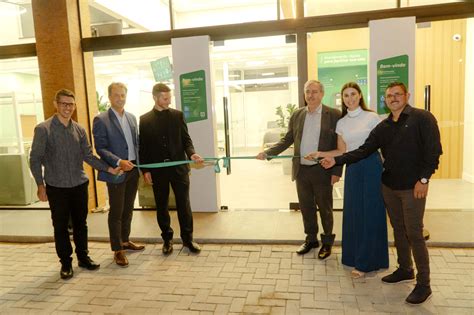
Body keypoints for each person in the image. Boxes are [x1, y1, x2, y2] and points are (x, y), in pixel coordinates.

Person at [321, 82, 442, 305]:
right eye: (389, 95)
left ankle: (424, 284)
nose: (393, 98)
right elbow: (363, 150)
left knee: (414, 232)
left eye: (398, 94)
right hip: (388, 185)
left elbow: (434, 152)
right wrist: (335, 160)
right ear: (385, 99)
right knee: (398, 228)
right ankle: (406, 269)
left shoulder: (422, 118)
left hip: (412, 186)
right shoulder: (384, 125)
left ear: (407, 95)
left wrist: (424, 179)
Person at [29, 89, 121, 280]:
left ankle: (83, 257)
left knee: (81, 224)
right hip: (56, 187)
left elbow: (88, 156)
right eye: (63, 104)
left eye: (70, 104)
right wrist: (40, 184)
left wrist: (109, 169)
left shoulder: (79, 129)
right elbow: (35, 159)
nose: (67, 108)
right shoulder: (43, 129)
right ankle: (65, 263)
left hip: (79, 185)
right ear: (56, 104)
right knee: (60, 226)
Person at [305, 82, 388, 278]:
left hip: (371, 167)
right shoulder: (341, 123)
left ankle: (367, 262)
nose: (349, 98)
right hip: (353, 168)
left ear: (360, 96)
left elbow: (382, 147)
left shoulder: (372, 117)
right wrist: (320, 153)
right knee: (353, 213)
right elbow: (342, 152)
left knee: (371, 213)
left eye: (353, 94)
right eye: (345, 96)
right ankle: (353, 256)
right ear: (342, 99)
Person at [257, 80, 342, 259]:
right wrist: (268, 153)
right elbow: (288, 139)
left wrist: (336, 171)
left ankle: (327, 243)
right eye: (307, 91)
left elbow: (340, 145)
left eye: (314, 92)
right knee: (306, 207)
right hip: (302, 170)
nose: (310, 95)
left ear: (322, 93)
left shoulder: (334, 114)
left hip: (323, 170)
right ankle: (311, 239)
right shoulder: (297, 114)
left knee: (325, 208)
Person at [139, 83, 204, 255]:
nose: (169, 101)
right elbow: (143, 148)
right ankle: (167, 240)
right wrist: (145, 170)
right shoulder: (144, 120)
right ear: (155, 97)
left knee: (184, 204)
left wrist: (192, 154)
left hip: (179, 169)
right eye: (165, 98)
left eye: (170, 98)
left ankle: (188, 240)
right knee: (161, 206)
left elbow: (186, 140)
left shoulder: (178, 116)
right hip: (158, 171)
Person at [93, 82, 145, 268]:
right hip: (117, 171)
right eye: (116, 95)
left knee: (128, 208)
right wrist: (118, 162)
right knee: (116, 211)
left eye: (123, 95)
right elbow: (101, 148)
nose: (120, 98)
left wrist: (139, 166)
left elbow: (136, 144)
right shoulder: (101, 119)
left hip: (133, 170)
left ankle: (125, 240)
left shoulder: (131, 118)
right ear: (109, 97)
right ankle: (117, 250)